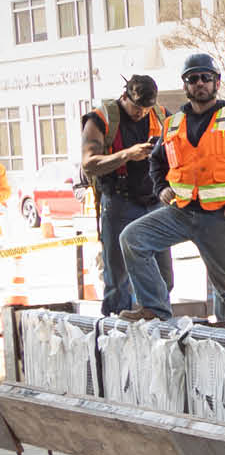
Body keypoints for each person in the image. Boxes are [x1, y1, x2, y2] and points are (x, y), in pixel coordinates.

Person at [118, 54, 225, 326]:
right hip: (180, 213)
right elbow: (157, 161)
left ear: (217, 83)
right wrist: (161, 188)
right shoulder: (173, 124)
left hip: (222, 217)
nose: (200, 83)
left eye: (206, 78)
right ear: (185, 85)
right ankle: (154, 307)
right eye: (193, 79)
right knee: (132, 238)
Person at [79, 74, 167, 315]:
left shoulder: (160, 115)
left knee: (163, 273)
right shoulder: (101, 119)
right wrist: (127, 154)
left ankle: (155, 319)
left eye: (146, 108)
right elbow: (89, 163)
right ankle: (115, 326)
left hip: (154, 201)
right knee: (118, 276)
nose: (141, 113)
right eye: (137, 107)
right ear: (124, 96)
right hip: (119, 201)